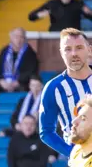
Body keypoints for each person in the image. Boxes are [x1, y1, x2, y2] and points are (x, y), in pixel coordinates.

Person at [39, 28, 92, 158]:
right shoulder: (53, 88)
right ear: (62, 53)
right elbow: (46, 132)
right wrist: (72, 153)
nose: (74, 53)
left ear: (89, 50)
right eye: (68, 49)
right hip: (80, 163)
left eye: (79, 47)